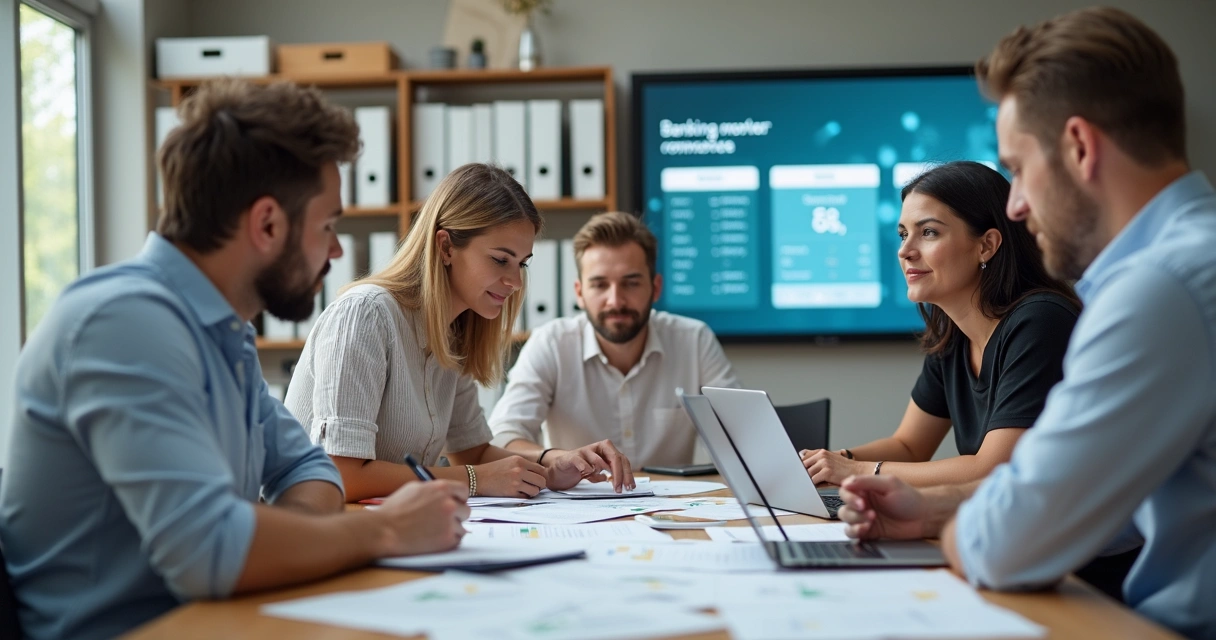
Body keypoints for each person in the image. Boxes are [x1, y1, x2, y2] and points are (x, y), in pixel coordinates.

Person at [0, 80, 470, 640]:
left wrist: (265, 541)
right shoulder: (122, 324)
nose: (338, 251)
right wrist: (386, 531)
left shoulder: (221, 330)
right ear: (268, 224)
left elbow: (309, 469)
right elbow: (210, 550)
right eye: (328, 226)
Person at [836, 8, 1216, 637]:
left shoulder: (1158, 290)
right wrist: (932, 509)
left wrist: (955, 522)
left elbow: (1011, 542)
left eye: (1018, 168)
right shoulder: (1188, 260)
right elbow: (1098, 502)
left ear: (1079, 147)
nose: (1014, 205)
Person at [285, 165, 635, 503]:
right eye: (501, 259)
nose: (515, 282)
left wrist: (550, 465)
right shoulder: (365, 314)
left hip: (385, 531)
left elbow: (473, 451)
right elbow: (341, 475)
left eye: (522, 263)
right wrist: (475, 481)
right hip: (311, 536)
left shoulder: (455, 331)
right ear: (446, 247)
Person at [801, 161, 1079, 487]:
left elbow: (995, 469)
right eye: (904, 234)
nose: (905, 250)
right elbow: (909, 446)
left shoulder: (1041, 321)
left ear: (986, 245)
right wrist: (829, 463)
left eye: (928, 232)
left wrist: (857, 472)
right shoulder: (952, 334)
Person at [488, 211, 740, 468]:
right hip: (580, 503)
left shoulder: (694, 341)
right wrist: (558, 458)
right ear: (580, 293)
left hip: (673, 508)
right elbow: (503, 436)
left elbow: (741, 433)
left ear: (656, 288)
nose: (616, 301)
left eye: (631, 283)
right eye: (599, 285)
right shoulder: (551, 344)